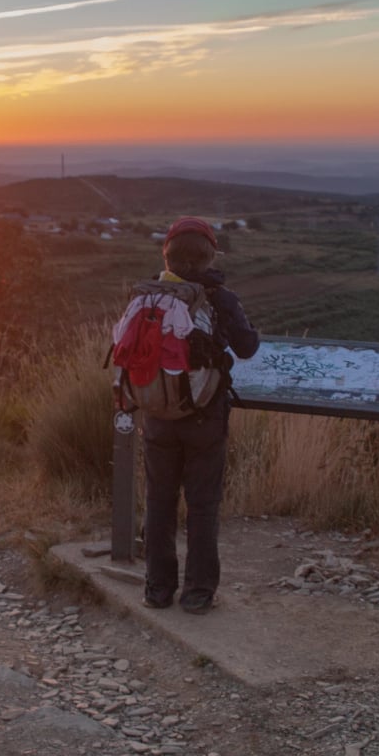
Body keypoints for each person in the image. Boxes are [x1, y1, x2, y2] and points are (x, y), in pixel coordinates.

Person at [139, 217, 259, 614]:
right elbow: (246, 348)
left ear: (168, 256)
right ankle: (197, 592)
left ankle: (157, 589)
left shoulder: (150, 295)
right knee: (202, 505)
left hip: (157, 413)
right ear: (209, 256)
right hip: (205, 417)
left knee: (159, 501)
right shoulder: (221, 298)